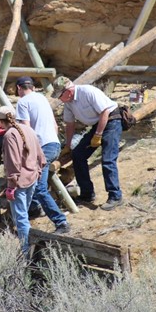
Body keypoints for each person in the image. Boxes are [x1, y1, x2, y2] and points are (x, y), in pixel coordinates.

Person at [52, 76, 123, 211]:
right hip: (98, 124)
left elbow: (105, 111)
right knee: (78, 155)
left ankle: (115, 196)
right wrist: (68, 145)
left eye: (60, 95)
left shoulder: (88, 92)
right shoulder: (68, 103)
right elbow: (70, 124)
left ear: (68, 91)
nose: (60, 99)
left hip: (112, 120)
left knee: (108, 160)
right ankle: (87, 194)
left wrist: (98, 135)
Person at [15, 76, 71, 234]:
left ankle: (61, 222)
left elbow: (26, 130)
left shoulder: (22, 102)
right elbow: (54, 125)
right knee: (32, 177)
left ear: (19, 88)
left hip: (42, 148)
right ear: (32, 86)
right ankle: (33, 208)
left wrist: (26, 152)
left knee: (39, 188)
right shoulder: (42, 98)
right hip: (54, 144)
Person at [0, 105, 45, 254]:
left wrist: (11, 184)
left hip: (19, 182)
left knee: (21, 219)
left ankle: (26, 251)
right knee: (24, 215)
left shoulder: (10, 135)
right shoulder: (28, 129)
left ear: (0, 121)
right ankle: (29, 246)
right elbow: (40, 155)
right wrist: (38, 170)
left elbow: (13, 162)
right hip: (32, 177)